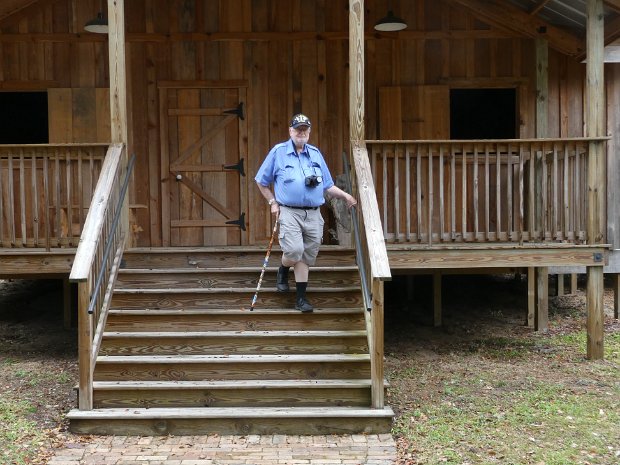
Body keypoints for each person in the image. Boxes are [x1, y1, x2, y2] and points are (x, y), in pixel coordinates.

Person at [255, 113, 357, 313]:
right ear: (290, 131)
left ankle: (301, 299)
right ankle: (283, 269)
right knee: (294, 250)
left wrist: (346, 196)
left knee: (306, 256)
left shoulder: (316, 154)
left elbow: (327, 185)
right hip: (289, 211)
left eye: (304, 129)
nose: (301, 132)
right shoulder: (278, 152)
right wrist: (272, 202)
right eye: (297, 129)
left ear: (309, 132)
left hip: (313, 214)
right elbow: (261, 181)